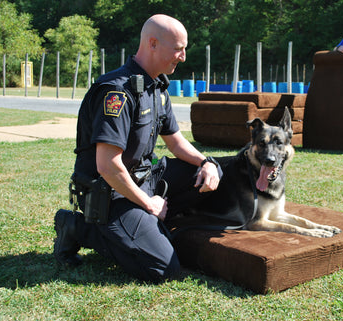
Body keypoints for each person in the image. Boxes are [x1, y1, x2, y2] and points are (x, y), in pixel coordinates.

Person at [53, 14, 221, 283]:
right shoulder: (118, 92)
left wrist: (206, 163)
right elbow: (107, 165)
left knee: (214, 174)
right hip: (111, 193)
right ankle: (78, 228)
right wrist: (149, 204)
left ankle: (152, 225)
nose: (184, 56)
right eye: (178, 48)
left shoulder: (156, 87)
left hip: (146, 177)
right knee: (163, 268)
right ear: (153, 44)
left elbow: (176, 142)